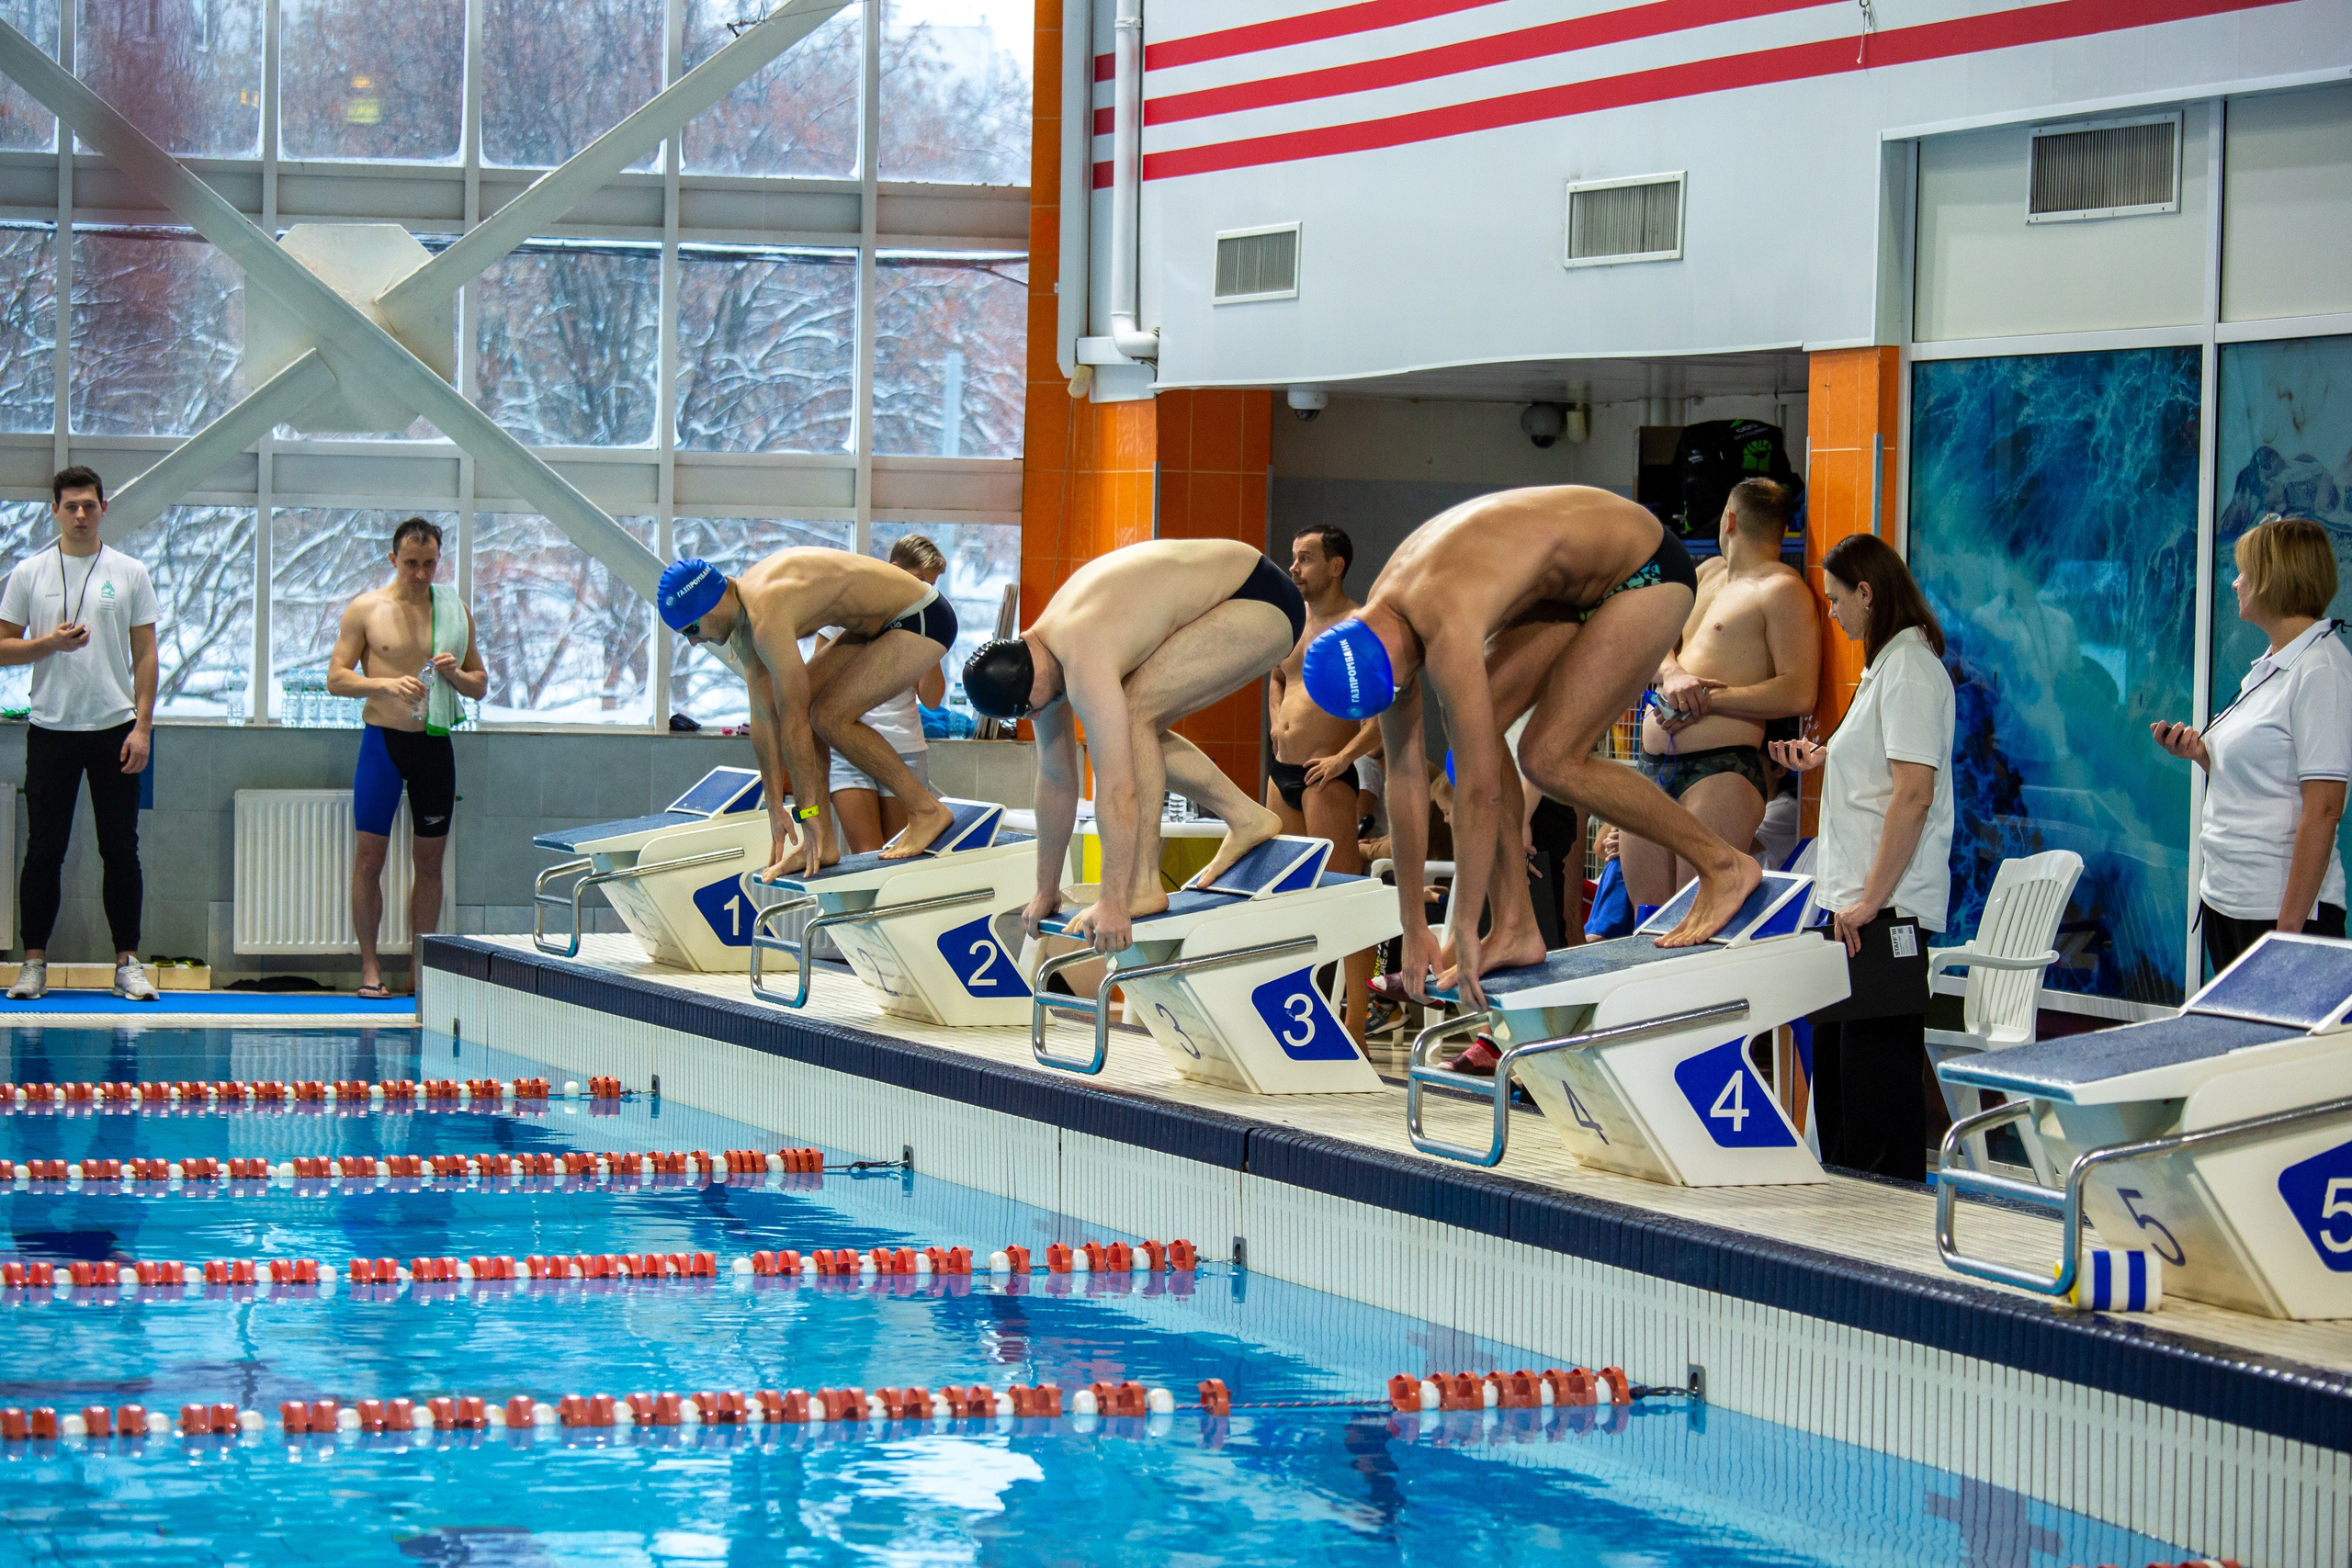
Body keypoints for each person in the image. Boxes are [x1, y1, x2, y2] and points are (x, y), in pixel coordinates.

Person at [1301, 485, 1760, 1013]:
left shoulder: (1444, 621)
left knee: (1548, 758)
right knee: (1471, 744)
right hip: (1563, 589)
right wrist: (1411, 925)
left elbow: (1481, 795)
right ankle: (1516, 925)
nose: (1407, 693)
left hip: (1644, 569)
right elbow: (1404, 782)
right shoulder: (1372, 632)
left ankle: (1724, 866)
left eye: (1403, 685)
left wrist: (1466, 928)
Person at [962, 538, 1302, 955]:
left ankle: (1142, 885)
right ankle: (1246, 817)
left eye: (1030, 709)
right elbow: (1055, 780)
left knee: (1136, 710)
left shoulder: (1081, 654)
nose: (1037, 716)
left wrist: (1114, 901)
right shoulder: (1045, 658)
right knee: (1138, 717)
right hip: (1237, 592)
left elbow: (1119, 789)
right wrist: (1044, 889)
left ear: (1027, 685)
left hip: (1260, 597)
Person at [1769, 533, 1954, 1182]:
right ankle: (1848, 1232)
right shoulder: (1885, 669)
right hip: (1853, 905)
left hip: (1883, 909)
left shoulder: (1909, 670)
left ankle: (1888, 1243)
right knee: (1845, 1091)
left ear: (1868, 593)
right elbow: (1884, 776)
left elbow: (1913, 793)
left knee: (1877, 1091)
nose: (1833, 612)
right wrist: (1822, 760)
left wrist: (1873, 900)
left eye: (1837, 598)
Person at [660, 547, 960, 880]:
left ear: (708, 603)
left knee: (827, 717)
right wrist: (774, 806)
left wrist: (808, 811)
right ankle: (823, 845)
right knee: (816, 711)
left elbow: (794, 720)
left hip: (922, 615)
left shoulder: (765, 611)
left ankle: (926, 810)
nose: (693, 642)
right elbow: (763, 717)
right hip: (878, 625)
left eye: (690, 629)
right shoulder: (744, 626)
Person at [2152, 513, 2350, 972]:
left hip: (2276, 916)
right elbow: (2261, 778)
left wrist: (2287, 937)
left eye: (2245, 572)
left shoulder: (2321, 671)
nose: (2235, 583)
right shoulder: (2269, 666)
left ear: (2275, 580)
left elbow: (2324, 809)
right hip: (2231, 902)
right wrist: (2202, 754)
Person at [0, 467, 160, 1002]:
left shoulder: (130, 571)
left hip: (115, 728)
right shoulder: (29, 573)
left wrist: (143, 727)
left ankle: (128, 964)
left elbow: (146, 655)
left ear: (103, 508)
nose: (81, 515)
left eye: (89, 505)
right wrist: (49, 645)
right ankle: (34, 965)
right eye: (70, 506)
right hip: (51, 728)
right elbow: (2, 648)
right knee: (45, 850)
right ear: (55, 511)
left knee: (121, 849)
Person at [1623, 479, 1819, 909]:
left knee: (1695, 917)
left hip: (1720, 771)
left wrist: (1708, 700)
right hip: (1652, 765)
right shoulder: (1705, 573)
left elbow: (1800, 691)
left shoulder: (1783, 590)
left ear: (1729, 519)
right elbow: (1653, 640)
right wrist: (1672, 674)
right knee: (1647, 918)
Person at [325, 517, 489, 998]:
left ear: (440, 560)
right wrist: (384, 682)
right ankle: (371, 969)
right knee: (369, 860)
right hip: (382, 743)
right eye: (412, 563)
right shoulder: (367, 609)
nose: (421, 574)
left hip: (434, 744)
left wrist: (455, 674)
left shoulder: (454, 610)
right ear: (393, 559)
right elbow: (336, 678)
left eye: (430, 564)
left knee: (431, 864)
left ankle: (420, 971)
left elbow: (480, 684)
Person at [1265, 524, 1380, 1039]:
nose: (1294, 568)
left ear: (1336, 566)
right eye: (1293, 558)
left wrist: (1343, 759)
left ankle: (1357, 1020)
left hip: (1325, 776)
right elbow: (1277, 676)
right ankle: (1295, 1005)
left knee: (1344, 895)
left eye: (1306, 558)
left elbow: (1387, 713)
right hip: (1281, 771)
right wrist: (1274, 721)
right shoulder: (1291, 622)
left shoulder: (1360, 626)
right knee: (1286, 894)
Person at [822, 536, 949, 855]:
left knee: (899, 856)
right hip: (849, 751)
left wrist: (929, 641)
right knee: (866, 856)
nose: (926, 593)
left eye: (932, 587)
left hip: (903, 747)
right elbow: (818, 689)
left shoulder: (921, 623)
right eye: (920, 582)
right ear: (895, 570)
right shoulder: (846, 615)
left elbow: (932, 699)